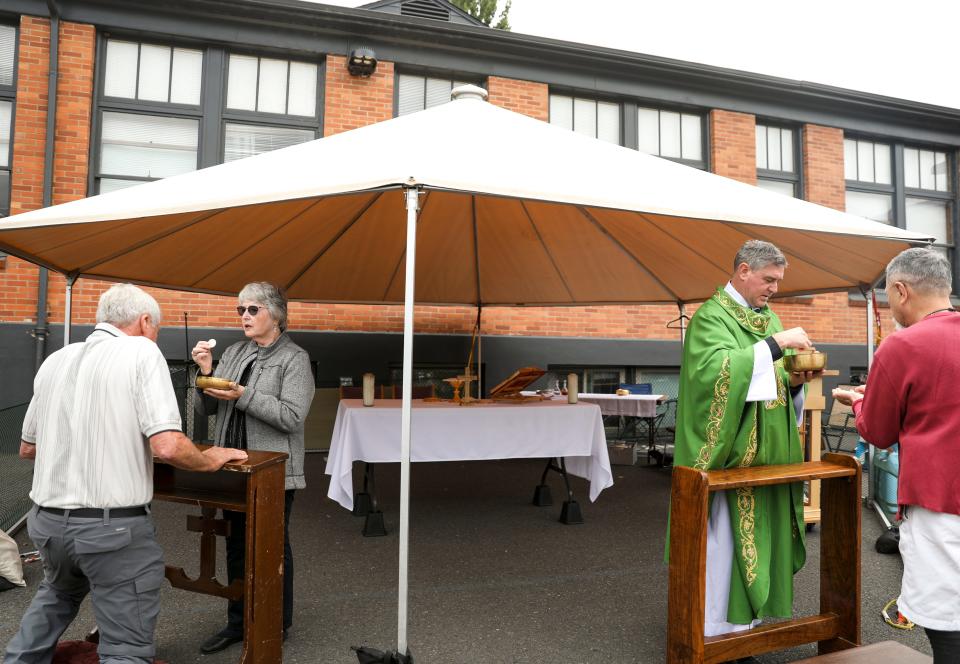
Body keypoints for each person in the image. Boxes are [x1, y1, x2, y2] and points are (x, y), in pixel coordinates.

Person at [4, 284, 247, 664]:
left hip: (46, 523)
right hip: (110, 530)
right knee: (126, 649)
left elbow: (28, 448)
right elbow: (166, 445)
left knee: (57, 596)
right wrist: (210, 458)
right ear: (146, 321)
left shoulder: (57, 358)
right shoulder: (142, 351)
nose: (156, 336)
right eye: (157, 328)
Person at [672, 239, 820, 638]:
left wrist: (793, 382)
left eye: (778, 281)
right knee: (723, 549)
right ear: (743, 271)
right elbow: (711, 378)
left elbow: (772, 380)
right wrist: (776, 345)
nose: (774, 288)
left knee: (759, 544)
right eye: (769, 279)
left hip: (768, 457)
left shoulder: (768, 318)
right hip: (730, 458)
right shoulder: (710, 317)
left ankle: (747, 629)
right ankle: (713, 631)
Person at [832, 247, 960, 663]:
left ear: (902, 290)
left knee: (948, 621)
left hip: (939, 500)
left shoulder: (902, 346)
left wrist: (856, 402)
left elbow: (879, 431)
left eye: (888, 296)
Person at [192, 282, 314, 654]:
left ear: (275, 315)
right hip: (231, 466)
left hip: (271, 471)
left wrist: (243, 395)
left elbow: (292, 417)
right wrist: (205, 374)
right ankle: (237, 621)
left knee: (272, 546)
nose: (244, 316)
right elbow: (207, 410)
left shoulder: (295, 359)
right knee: (235, 543)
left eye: (252, 310)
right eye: (240, 310)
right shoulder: (233, 352)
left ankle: (276, 623)